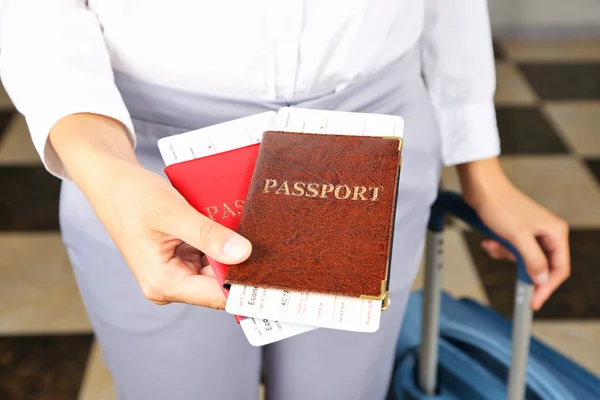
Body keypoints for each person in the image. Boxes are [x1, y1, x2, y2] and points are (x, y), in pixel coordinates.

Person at [0, 1, 570, 399]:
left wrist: (482, 169)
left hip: (366, 139)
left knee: (344, 387)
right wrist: (104, 168)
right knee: (174, 385)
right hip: (143, 149)